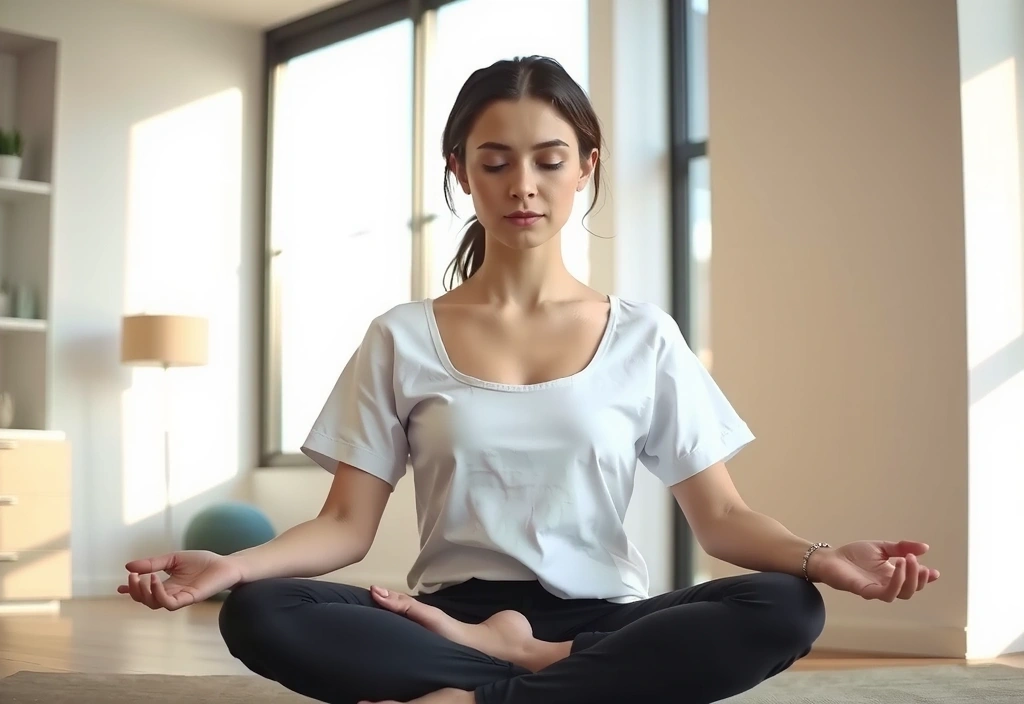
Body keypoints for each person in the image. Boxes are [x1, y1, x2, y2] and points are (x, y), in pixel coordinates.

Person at [118, 56, 940, 704]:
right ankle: (534, 679)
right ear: (460, 171)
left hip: (602, 623)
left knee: (785, 605)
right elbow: (343, 528)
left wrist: (824, 558)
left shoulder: (644, 336)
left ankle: (491, 690)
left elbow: (721, 519)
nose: (523, 186)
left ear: (585, 166)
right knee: (264, 613)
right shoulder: (401, 336)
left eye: (549, 160)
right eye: (496, 161)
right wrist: (236, 568)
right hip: (442, 619)